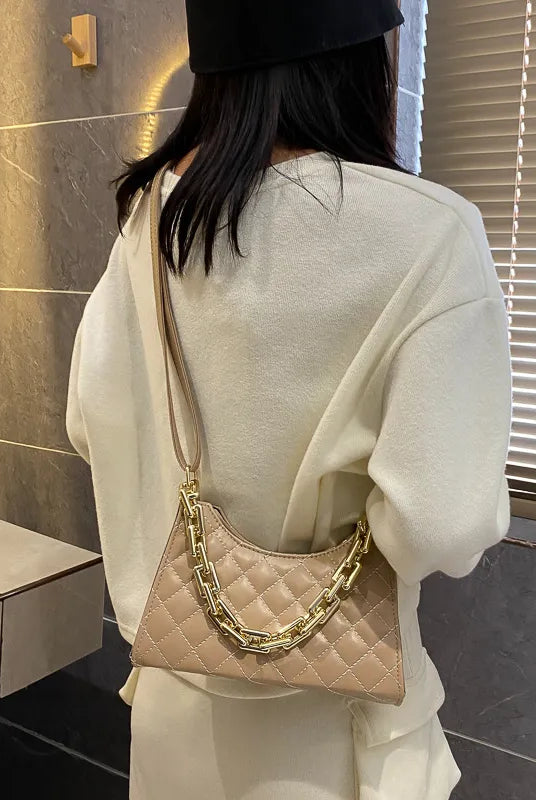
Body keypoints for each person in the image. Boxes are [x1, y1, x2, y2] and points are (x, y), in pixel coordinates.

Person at [66, 1, 513, 798]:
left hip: (173, 706)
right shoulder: (431, 233)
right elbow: (440, 526)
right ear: (359, 57)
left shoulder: (153, 218)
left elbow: (87, 422)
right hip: (333, 728)